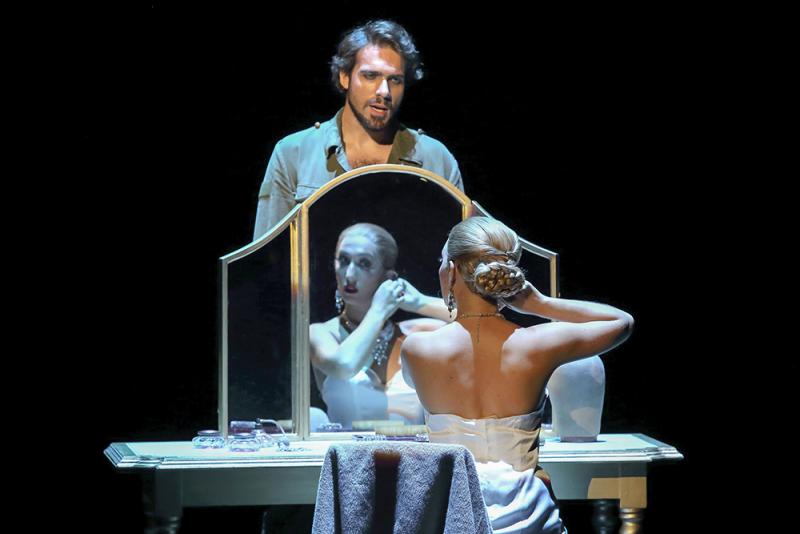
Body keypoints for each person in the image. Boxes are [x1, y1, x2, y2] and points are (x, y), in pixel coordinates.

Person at [401, 217, 634, 534]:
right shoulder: (537, 343)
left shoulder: (417, 349)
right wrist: (538, 304)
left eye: (441, 262)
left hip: (452, 515)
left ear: (452, 271)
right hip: (529, 517)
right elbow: (622, 322)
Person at [253, 20, 464, 239]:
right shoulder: (294, 154)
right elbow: (267, 252)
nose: (384, 91)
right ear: (345, 77)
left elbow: (463, 254)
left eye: (395, 80)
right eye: (370, 76)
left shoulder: (436, 160)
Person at [309, 222, 452, 428]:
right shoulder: (321, 334)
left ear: (388, 277)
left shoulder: (416, 334)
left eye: (364, 263)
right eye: (344, 260)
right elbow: (344, 365)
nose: (349, 275)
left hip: (413, 448)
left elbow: (478, 323)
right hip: (345, 449)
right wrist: (378, 311)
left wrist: (421, 302)